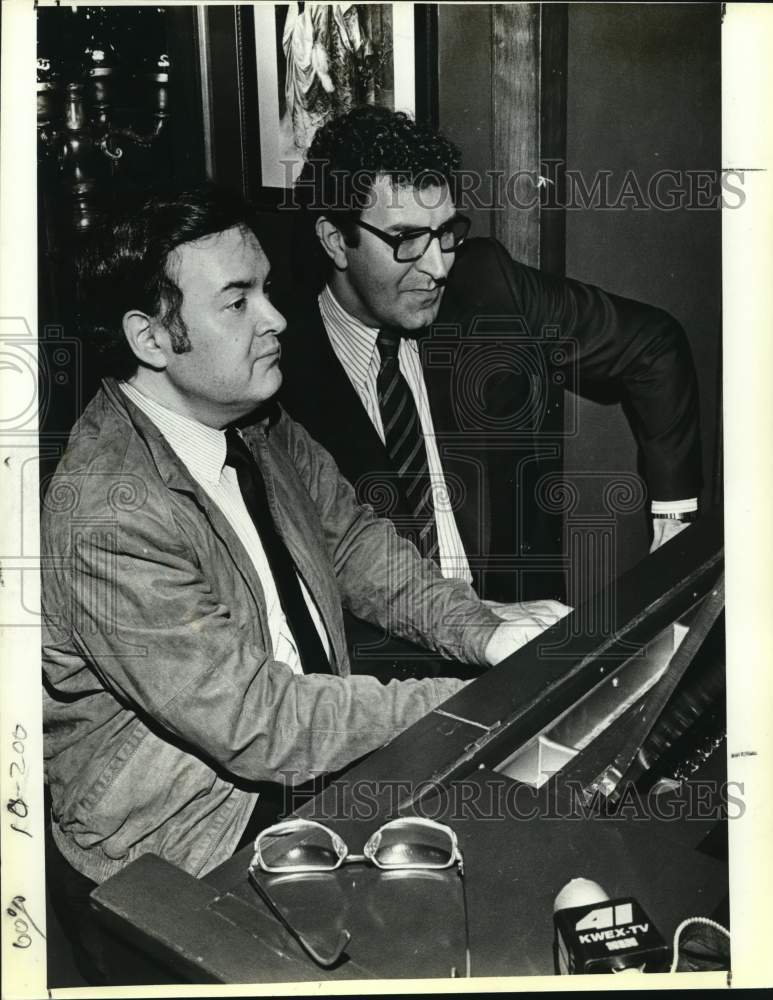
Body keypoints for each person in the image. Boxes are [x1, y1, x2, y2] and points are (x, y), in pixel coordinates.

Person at [41, 185, 569, 980]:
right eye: (237, 301)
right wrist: (473, 702)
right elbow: (260, 722)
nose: (276, 318)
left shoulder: (255, 418)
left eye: (265, 288)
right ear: (151, 339)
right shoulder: (106, 515)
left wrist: (486, 632)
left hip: (298, 774)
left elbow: (357, 546)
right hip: (181, 848)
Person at [278, 106, 703, 668]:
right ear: (336, 241)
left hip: (528, 647)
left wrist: (673, 527)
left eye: (446, 233)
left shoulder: (487, 286)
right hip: (388, 683)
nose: (437, 266)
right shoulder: (274, 370)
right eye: (406, 239)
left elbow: (654, 345)